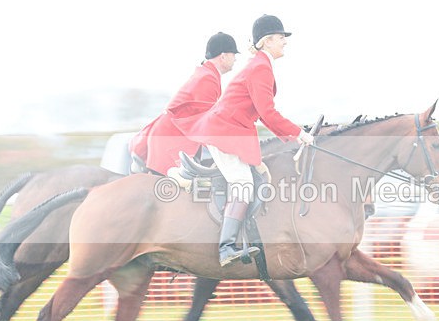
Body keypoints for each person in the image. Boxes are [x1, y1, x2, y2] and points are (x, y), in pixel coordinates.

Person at [174, 14, 314, 267]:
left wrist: (290, 134)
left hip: (232, 131)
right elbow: (267, 113)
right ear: (267, 41)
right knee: (243, 184)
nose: (285, 42)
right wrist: (298, 133)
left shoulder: (261, 65)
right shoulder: (260, 68)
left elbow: (260, 115)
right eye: (281, 38)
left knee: (251, 179)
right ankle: (226, 247)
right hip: (224, 132)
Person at [129, 32, 240, 175]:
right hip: (170, 142)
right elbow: (207, 125)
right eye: (233, 55)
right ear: (223, 56)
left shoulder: (207, 74)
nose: (235, 59)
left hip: (169, 138)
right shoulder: (208, 79)